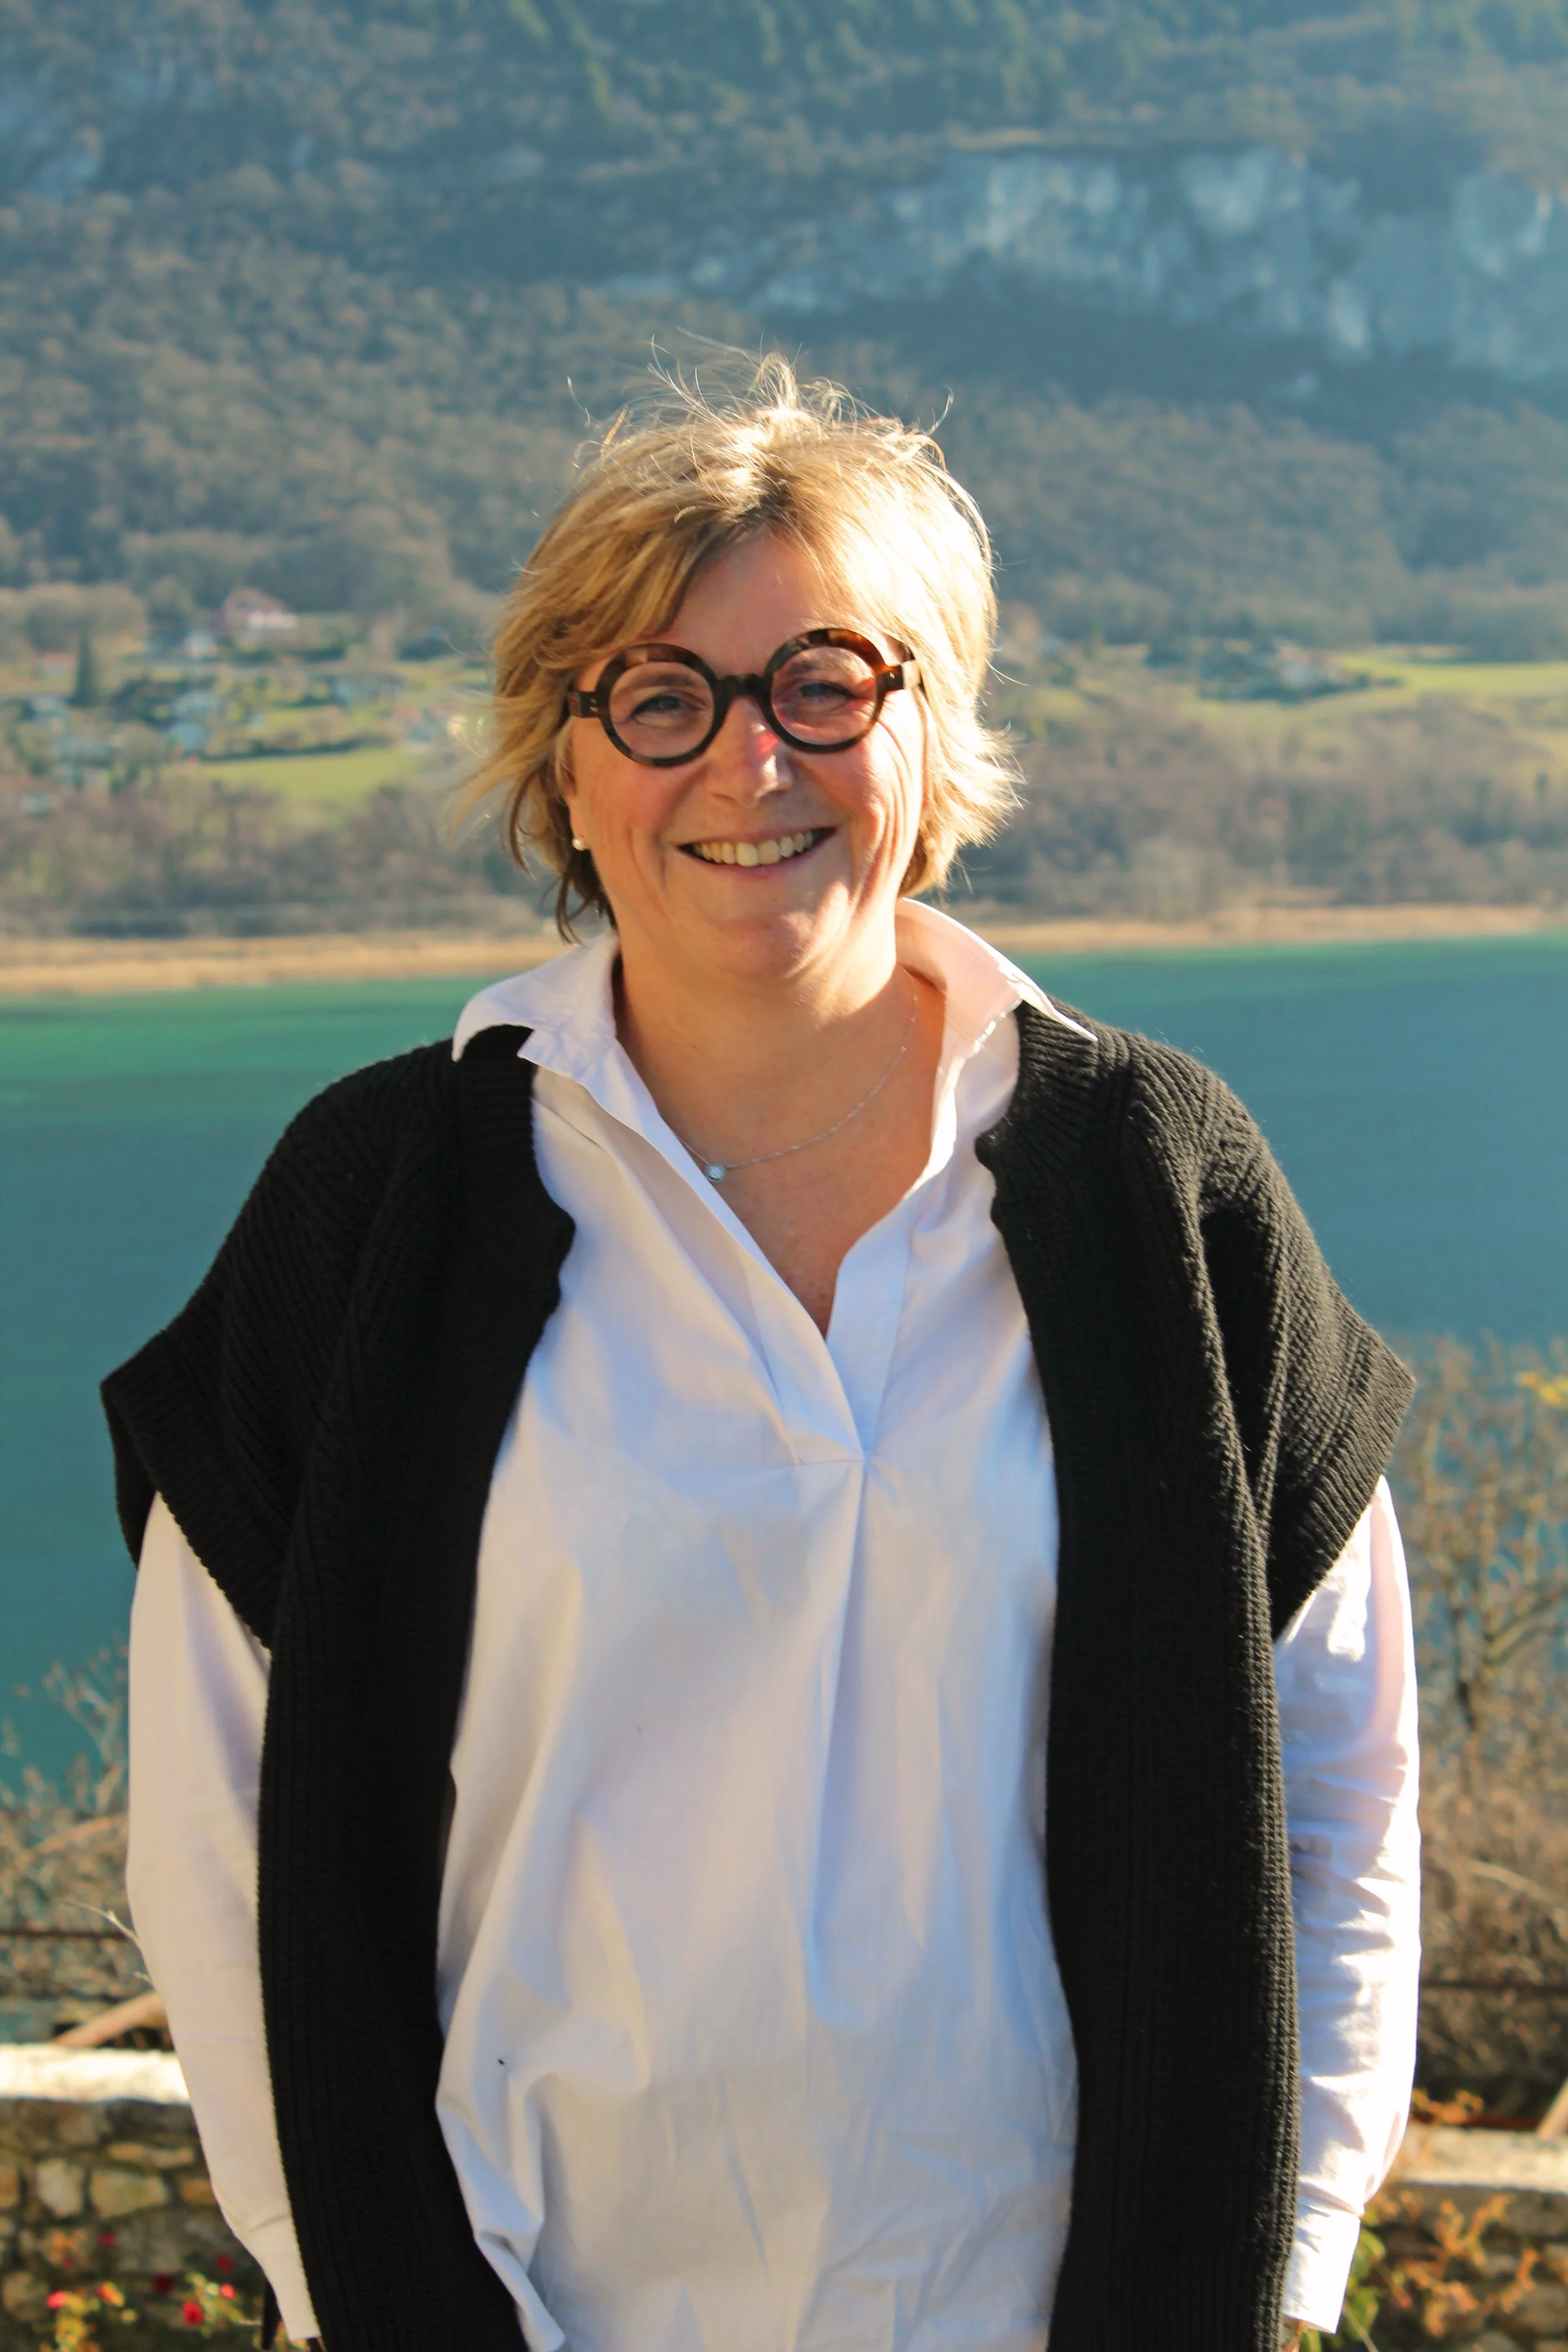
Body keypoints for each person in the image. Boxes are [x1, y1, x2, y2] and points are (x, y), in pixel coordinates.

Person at [107, 362, 1420, 2352]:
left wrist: (1282, 2269)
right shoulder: (381, 1210)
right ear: (564, 765)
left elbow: (1337, 1795)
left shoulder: (1160, 1189)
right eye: (661, 696)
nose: (749, 762)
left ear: (931, 724)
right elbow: (212, 1838)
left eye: (825, 681)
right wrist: (357, 2292)